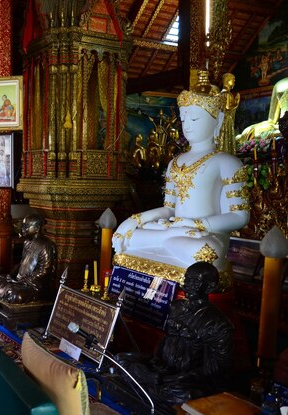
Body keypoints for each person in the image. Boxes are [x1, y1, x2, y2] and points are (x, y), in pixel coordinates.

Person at [112, 72, 250, 273]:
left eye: (195, 118)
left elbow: (239, 216)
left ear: (218, 121)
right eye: (184, 119)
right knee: (130, 238)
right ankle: (166, 238)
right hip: (178, 232)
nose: (188, 125)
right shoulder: (175, 162)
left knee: (203, 253)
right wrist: (135, 220)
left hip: (205, 237)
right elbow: (169, 209)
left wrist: (197, 225)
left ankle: (167, 238)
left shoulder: (227, 162)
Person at [116, 262, 234, 405]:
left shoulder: (218, 323)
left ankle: (145, 384)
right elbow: (166, 340)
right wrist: (156, 361)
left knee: (183, 394)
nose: (188, 284)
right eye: (187, 279)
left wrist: (179, 378)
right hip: (162, 368)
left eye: (195, 281)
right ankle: (150, 382)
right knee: (121, 359)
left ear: (210, 287)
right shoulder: (176, 306)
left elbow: (215, 370)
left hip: (183, 379)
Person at [0, 214, 57, 304]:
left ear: (37, 228)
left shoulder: (46, 245)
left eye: (26, 226)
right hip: (19, 281)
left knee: (16, 295)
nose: (23, 229)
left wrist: (23, 281)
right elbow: (21, 263)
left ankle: (8, 292)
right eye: (23, 226)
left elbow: (44, 271)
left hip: (33, 285)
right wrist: (11, 275)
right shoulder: (27, 242)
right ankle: (8, 291)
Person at [236, 77, 288, 144]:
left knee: (283, 133)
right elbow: (271, 120)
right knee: (252, 133)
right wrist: (252, 128)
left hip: (282, 130)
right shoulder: (279, 84)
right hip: (282, 125)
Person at [217, 73, 240, 155]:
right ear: (227, 81)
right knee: (225, 137)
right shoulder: (227, 94)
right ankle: (226, 153)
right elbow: (227, 108)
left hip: (221, 119)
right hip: (226, 120)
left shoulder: (221, 94)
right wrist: (236, 103)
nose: (234, 82)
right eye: (232, 80)